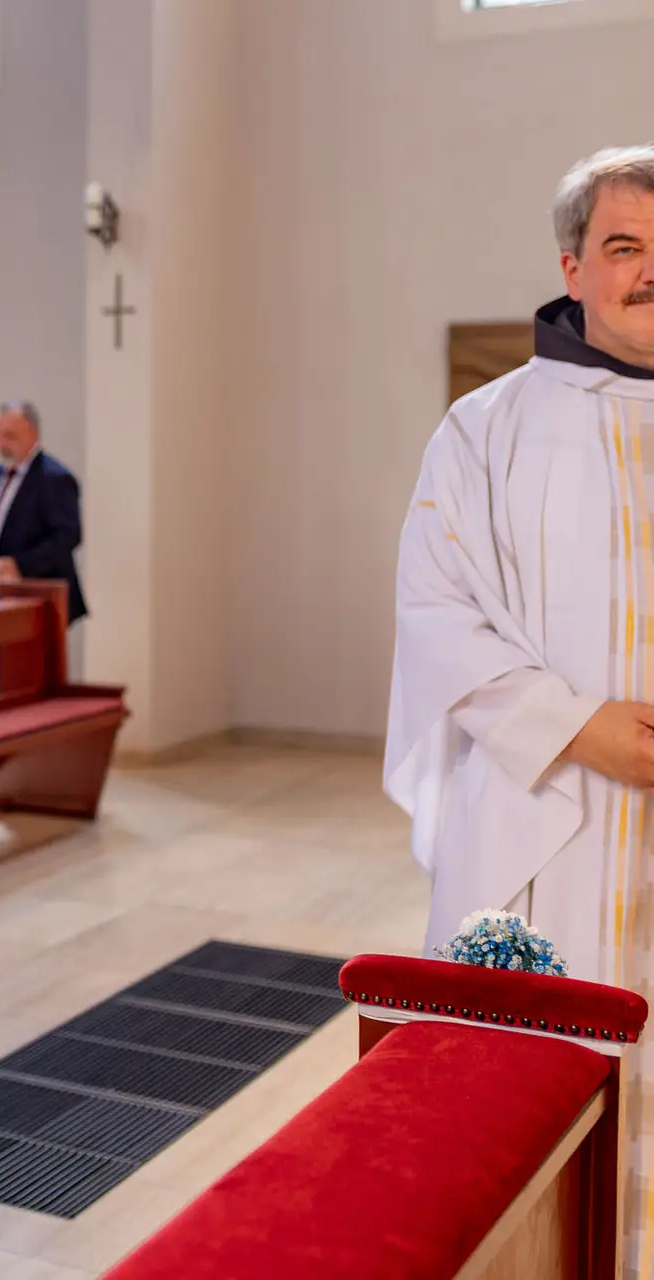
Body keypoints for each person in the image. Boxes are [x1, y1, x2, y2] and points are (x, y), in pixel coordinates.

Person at [386, 145, 654, 1269]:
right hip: (553, 817)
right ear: (572, 265)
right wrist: (578, 726)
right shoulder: (486, 428)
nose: (648, 272)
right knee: (540, 1120)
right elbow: (434, 608)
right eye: (624, 246)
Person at [0, 400, 85, 699]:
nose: (2, 444)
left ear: (33, 433)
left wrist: (20, 564)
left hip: (33, 595)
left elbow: (68, 536)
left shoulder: (54, 478)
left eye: (10, 436)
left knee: (26, 682)